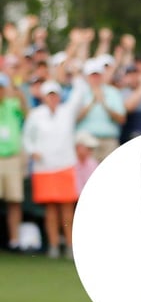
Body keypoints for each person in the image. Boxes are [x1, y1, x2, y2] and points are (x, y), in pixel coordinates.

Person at [23, 81, 81, 258]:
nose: (52, 98)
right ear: (44, 97)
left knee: (67, 207)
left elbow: (79, 92)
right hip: (44, 167)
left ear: (59, 96)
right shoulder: (36, 114)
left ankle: (70, 245)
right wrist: (33, 151)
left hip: (65, 164)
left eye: (55, 94)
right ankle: (54, 245)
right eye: (49, 95)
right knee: (50, 208)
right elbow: (27, 137)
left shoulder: (67, 111)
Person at [0, 73, 27, 251]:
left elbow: (26, 112)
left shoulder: (12, 104)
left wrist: (18, 93)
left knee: (14, 200)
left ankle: (15, 241)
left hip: (12, 158)